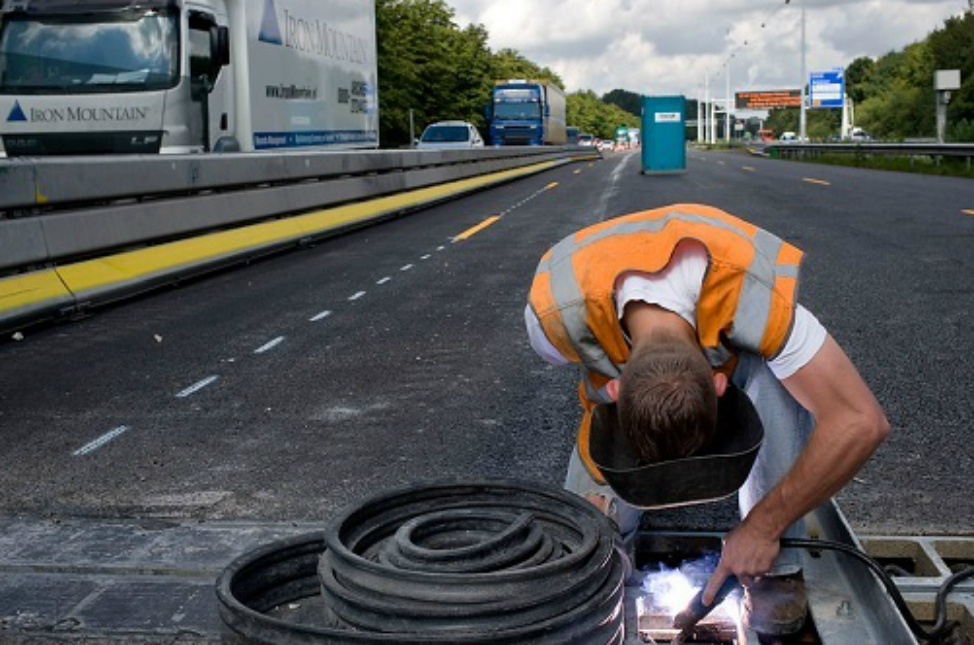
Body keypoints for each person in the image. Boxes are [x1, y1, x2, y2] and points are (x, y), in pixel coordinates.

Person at [525, 203, 889, 636]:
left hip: (722, 316)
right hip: (613, 348)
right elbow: (593, 395)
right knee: (587, 549)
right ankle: (607, 539)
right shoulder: (551, 320)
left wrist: (764, 526)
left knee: (780, 374)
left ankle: (773, 565)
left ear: (721, 383)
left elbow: (861, 420)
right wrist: (595, 505)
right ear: (620, 390)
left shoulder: (756, 297)